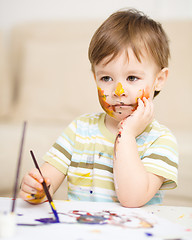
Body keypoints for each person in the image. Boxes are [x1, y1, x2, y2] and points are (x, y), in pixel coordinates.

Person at [19, 8, 178, 207]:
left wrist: (127, 135)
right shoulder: (79, 130)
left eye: (132, 78)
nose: (118, 91)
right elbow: (46, 185)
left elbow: (132, 199)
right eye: (106, 78)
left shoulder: (161, 141)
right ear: (95, 78)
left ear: (159, 80)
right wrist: (36, 190)